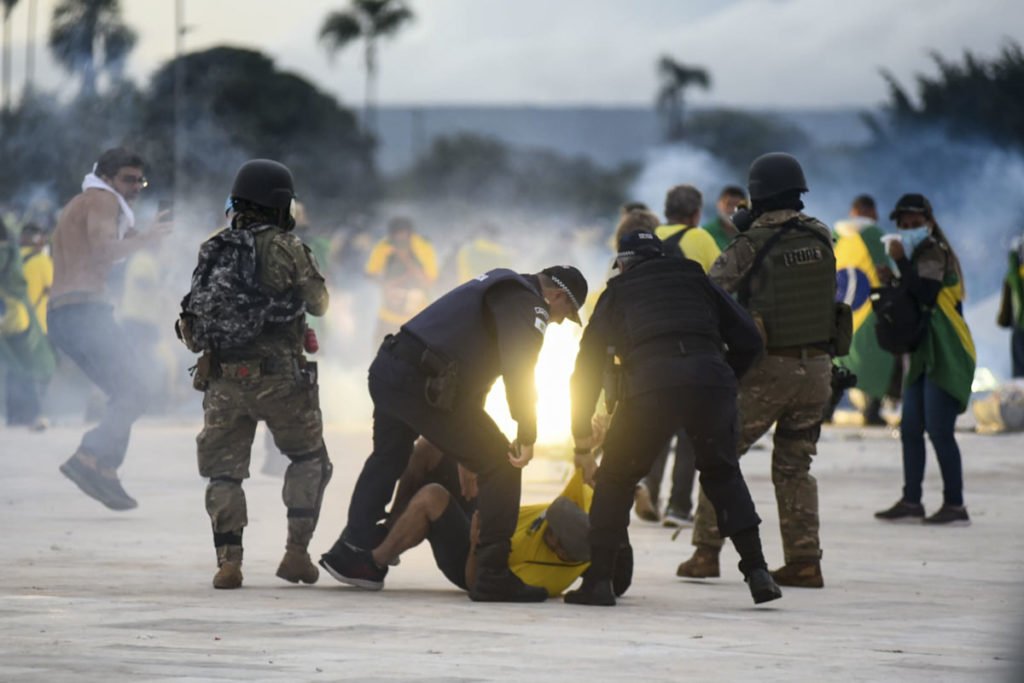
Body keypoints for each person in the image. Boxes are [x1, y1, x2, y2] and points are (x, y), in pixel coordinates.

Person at [320, 263, 588, 602]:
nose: (559, 321)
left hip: (392, 368)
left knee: (390, 455)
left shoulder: (500, 281)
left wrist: (465, 452)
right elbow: (519, 369)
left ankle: (354, 549)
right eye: (565, 314)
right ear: (557, 296)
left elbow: (474, 372)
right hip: (422, 384)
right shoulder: (531, 304)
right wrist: (527, 431)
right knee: (503, 463)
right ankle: (492, 575)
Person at [566, 229, 779, 606]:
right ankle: (758, 571)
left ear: (623, 263)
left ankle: (599, 582)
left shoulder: (617, 292)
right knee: (723, 474)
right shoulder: (695, 277)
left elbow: (585, 371)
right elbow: (749, 338)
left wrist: (582, 439)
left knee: (616, 479)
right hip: (711, 384)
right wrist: (724, 376)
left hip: (650, 390)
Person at [677, 152, 839, 590]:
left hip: (771, 370)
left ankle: (706, 552)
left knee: (720, 456)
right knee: (795, 465)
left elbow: (712, 288)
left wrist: (744, 229)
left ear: (757, 194)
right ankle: (805, 559)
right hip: (819, 367)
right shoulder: (822, 235)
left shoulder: (750, 244)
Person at [177, 159, 332, 589]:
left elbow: (194, 315)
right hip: (280, 379)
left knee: (224, 473)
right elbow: (319, 303)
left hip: (223, 380)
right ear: (282, 205)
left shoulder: (214, 249)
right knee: (309, 459)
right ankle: (296, 554)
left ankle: (229, 562)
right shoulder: (287, 247)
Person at [329, 438, 627, 598]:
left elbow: (478, 583)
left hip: (473, 560)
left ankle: (374, 564)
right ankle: (393, 528)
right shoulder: (576, 516)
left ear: (561, 550)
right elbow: (590, 479)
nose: (543, 526)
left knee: (433, 496)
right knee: (431, 447)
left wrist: (474, 544)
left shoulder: (543, 575)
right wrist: (592, 445)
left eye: (549, 532)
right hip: (492, 525)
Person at [48, 148, 171, 510]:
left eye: (140, 181)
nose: (135, 187)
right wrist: (147, 240)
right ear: (105, 177)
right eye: (128, 179)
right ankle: (90, 457)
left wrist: (146, 235)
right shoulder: (103, 200)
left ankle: (104, 468)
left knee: (128, 390)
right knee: (137, 387)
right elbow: (103, 251)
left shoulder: (84, 202)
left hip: (67, 314)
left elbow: (109, 245)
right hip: (83, 311)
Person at [874, 194, 975, 525]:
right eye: (903, 225)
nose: (908, 229)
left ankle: (955, 504)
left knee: (938, 429)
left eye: (915, 224)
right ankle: (912, 499)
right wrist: (891, 280)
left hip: (945, 350)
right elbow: (911, 297)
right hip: (922, 352)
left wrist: (900, 264)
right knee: (911, 428)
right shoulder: (916, 254)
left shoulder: (933, 252)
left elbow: (927, 293)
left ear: (929, 223)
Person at [830, 194, 896, 426]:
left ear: (853, 211)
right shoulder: (876, 236)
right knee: (876, 360)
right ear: (873, 213)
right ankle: (871, 410)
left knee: (837, 363)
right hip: (871, 310)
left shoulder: (835, 236)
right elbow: (891, 271)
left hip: (841, 309)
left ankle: (825, 412)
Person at [4, 222, 54, 430]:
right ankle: (33, 415)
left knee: (14, 369)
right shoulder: (42, 261)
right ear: (38, 239)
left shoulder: (9, 259)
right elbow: (53, 288)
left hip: (9, 322)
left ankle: (14, 416)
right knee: (33, 369)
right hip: (34, 325)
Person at [365, 217, 438, 342]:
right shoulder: (384, 246)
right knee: (379, 347)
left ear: (410, 234)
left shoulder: (422, 246)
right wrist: (387, 285)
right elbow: (370, 273)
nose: (400, 238)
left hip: (417, 314)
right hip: (389, 313)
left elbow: (431, 279)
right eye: (396, 235)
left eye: (403, 235)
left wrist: (407, 262)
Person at [997, 233, 1024, 377]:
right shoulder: (1013, 275)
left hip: (1019, 329)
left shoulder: (1013, 275)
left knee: (1020, 374)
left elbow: (1005, 313)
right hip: (1019, 329)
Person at [702, 185, 748, 251]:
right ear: (719, 204)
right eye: (729, 204)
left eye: (737, 205)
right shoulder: (706, 232)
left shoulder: (751, 231)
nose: (733, 210)